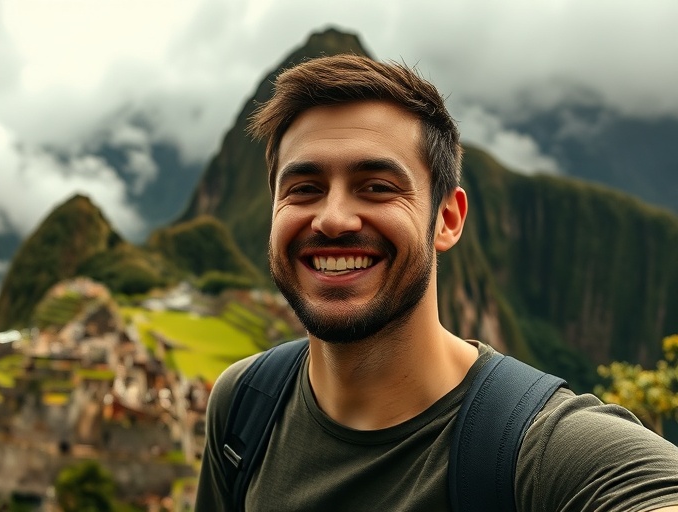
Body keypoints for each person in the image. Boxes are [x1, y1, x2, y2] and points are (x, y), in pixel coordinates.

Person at [195, 54, 678, 511]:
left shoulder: (534, 447)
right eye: (304, 189)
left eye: (377, 187)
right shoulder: (244, 408)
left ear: (447, 218)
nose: (333, 219)